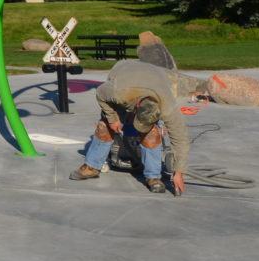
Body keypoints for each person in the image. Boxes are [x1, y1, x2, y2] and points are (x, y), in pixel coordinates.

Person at [69, 59, 189, 195]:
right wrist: (112, 118)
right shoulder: (120, 93)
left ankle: (153, 177)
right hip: (123, 74)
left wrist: (179, 172)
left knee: (152, 134)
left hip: (153, 78)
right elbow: (101, 93)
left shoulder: (168, 106)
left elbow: (181, 140)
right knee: (105, 126)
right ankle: (92, 166)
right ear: (137, 106)